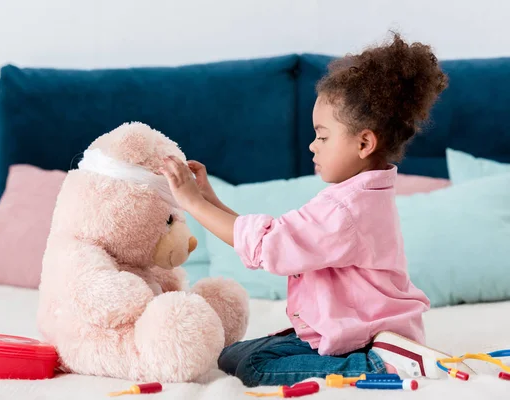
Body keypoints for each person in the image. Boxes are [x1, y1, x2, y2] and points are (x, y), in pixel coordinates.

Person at [160, 33, 467, 387]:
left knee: (252, 368)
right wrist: (210, 200)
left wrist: (194, 204)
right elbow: (271, 236)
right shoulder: (364, 193)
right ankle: (370, 357)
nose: (312, 145)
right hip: (344, 331)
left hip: (370, 342)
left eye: (322, 136)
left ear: (364, 143)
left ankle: (386, 367)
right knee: (231, 354)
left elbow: (269, 245)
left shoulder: (345, 209)